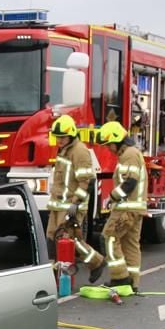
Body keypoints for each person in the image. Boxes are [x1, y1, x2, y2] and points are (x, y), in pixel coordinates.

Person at [45, 114, 104, 283]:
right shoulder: (64, 150)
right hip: (58, 205)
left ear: (70, 135)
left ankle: (96, 261)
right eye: (57, 137)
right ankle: (55, 275)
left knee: (68, 240)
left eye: (62, 137)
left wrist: (75, 204)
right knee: (51, 238)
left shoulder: (79, 151)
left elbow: (86, 181)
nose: (59, 140)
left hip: (70, 205)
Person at [97, 120, 147, 293]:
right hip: (135, 208)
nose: (108, 148)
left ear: (117, 140)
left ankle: (120, 279)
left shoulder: (129, 155)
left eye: (109, 144)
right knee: (130, 244)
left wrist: (112, 196)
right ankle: (132, 283)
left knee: (108, 238)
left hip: (126, 208)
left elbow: (129, 182)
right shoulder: (131, 153)